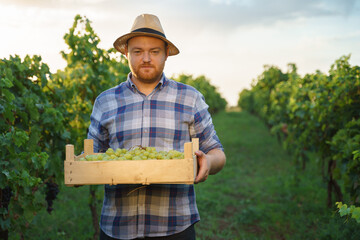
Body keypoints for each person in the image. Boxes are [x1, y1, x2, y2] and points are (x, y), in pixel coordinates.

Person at [87, 13, 226, 240]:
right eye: (138, 51)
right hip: (117, 226)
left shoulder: (190, 98)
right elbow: (92, 155)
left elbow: (217, 152)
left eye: (154, 51)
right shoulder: (105, 101)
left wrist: (207, 162)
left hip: (175, 227)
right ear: (126, 53)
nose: (146, 58)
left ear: (166, 55)